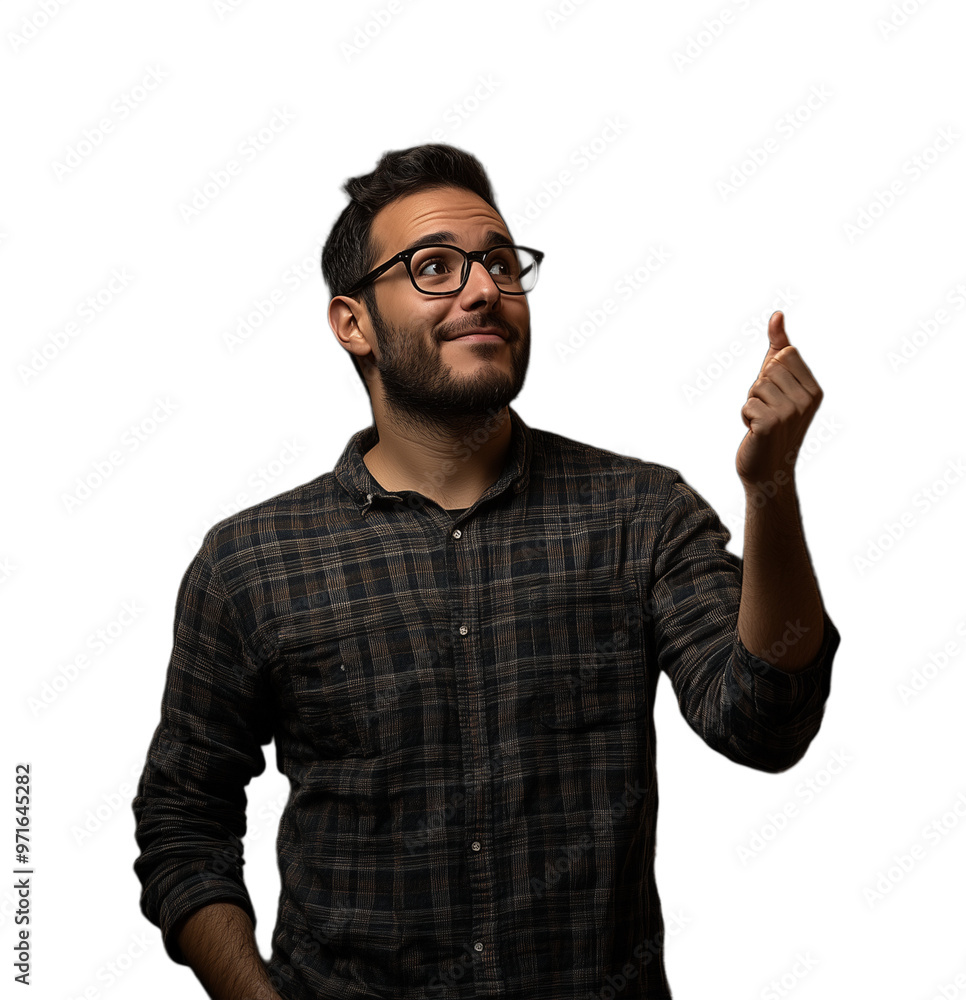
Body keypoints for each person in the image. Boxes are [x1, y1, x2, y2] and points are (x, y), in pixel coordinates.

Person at [132, 143, 841, 1000]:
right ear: (352, 323)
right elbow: (182, 825)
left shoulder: (639, 515)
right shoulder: (250, 562)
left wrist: (769, 487)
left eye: (502, 264)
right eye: (435, 267)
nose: (483, 290)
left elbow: (765, 722)